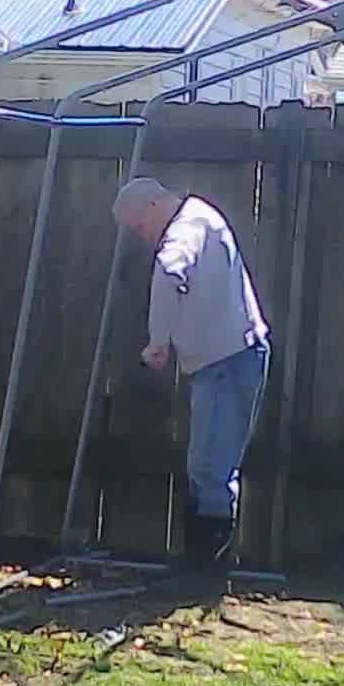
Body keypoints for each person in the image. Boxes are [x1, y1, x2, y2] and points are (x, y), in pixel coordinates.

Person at [112, 176, 270, 578]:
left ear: (152, 206)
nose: (144, 237)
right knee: (207, 465)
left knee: (211, 469)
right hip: (225, 360)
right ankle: (199, 564)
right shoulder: (198, 219)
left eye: (139, 227)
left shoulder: (186, 229)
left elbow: (168, 272)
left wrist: (158, 341)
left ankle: (204, 573)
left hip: (228, 362)